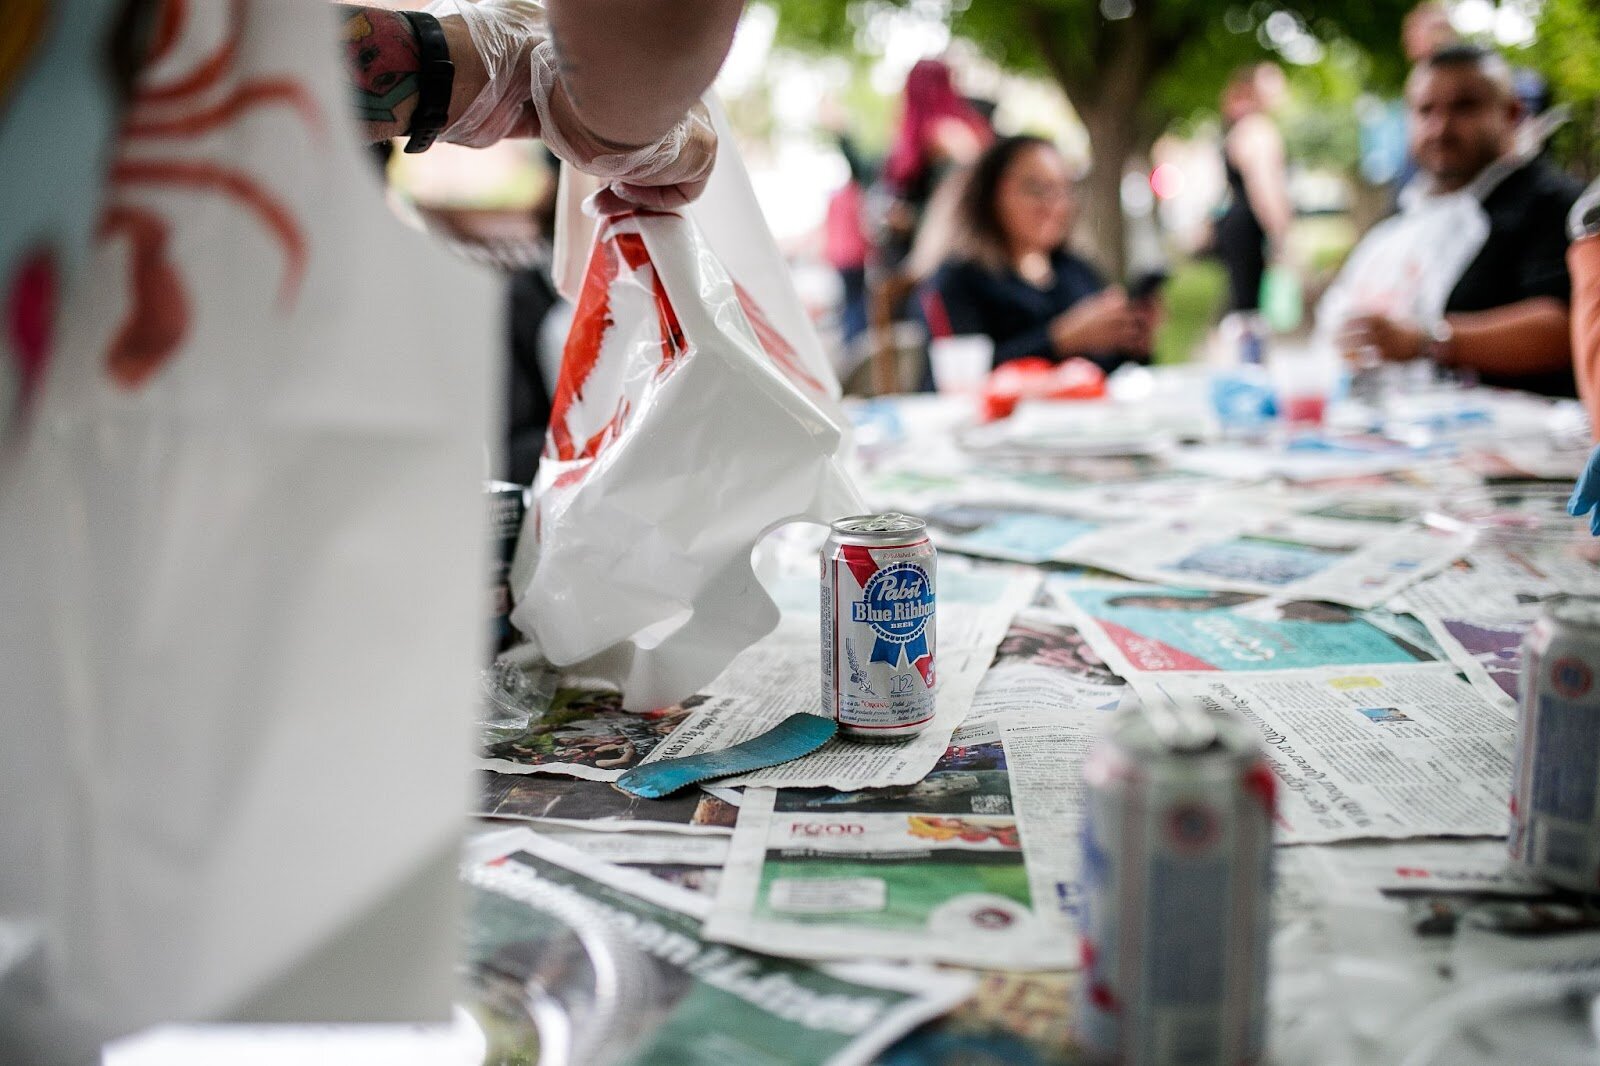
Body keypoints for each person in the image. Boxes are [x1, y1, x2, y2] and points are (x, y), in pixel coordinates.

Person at [1324, 45, 1583, 397]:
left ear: (1512, 114)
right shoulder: (1407, 215)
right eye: (1425, 110)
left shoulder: (1557, 204)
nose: (1440, 128)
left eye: (1464, 107)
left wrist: (1427, 340)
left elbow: (1566, 325)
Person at [920, 135, 1153, 374]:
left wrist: (1133, 340)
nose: (1055, 205)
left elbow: (1111, 372)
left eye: (1064, 190)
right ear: (993, 195)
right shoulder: (958, 280)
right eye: (1037, 189)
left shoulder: (1076, 271)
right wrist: (1060, 340)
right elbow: (963, 378)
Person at [877, 58, 992, 268]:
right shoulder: (913, 136)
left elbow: (970, 200)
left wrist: (911, 218)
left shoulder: (951, 134)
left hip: (936, 257)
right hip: (918, 253)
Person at [1209, 64, 1292, 314]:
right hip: (1250, 227)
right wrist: (1281, 235)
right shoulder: (1258, 130)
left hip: (1236, 226)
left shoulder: (1239, 129)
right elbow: (1264, 189)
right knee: (1248, 309)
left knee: (1240, 300)